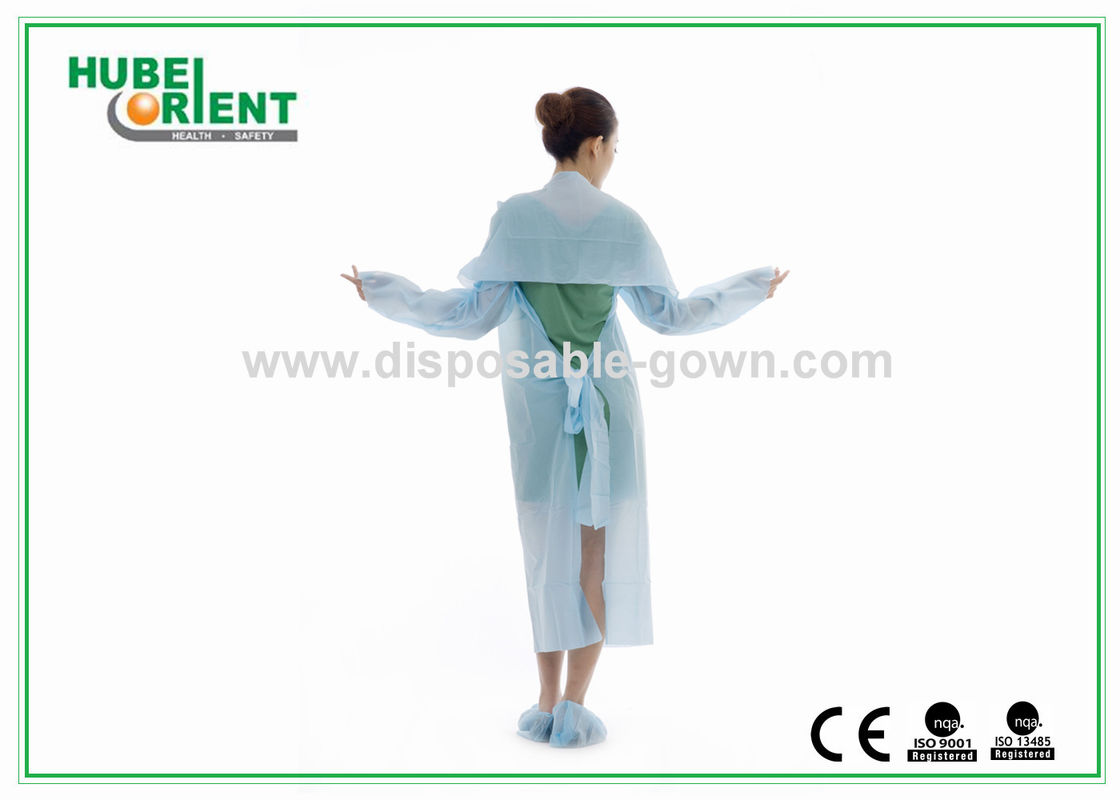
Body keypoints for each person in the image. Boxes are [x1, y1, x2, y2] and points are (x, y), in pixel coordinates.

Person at [341, 87, 789, 748]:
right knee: (594, 558)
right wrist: (750, 287)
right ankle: (575, 705)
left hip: (538, 416)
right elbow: (672, 316)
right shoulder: (624, 224)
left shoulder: (516, 219)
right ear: (596, 145)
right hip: (607, 410)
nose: (613, 158)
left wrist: (384, 290)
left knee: (543, 553)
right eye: (615, 147)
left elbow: (467, 314)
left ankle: (546, 699)